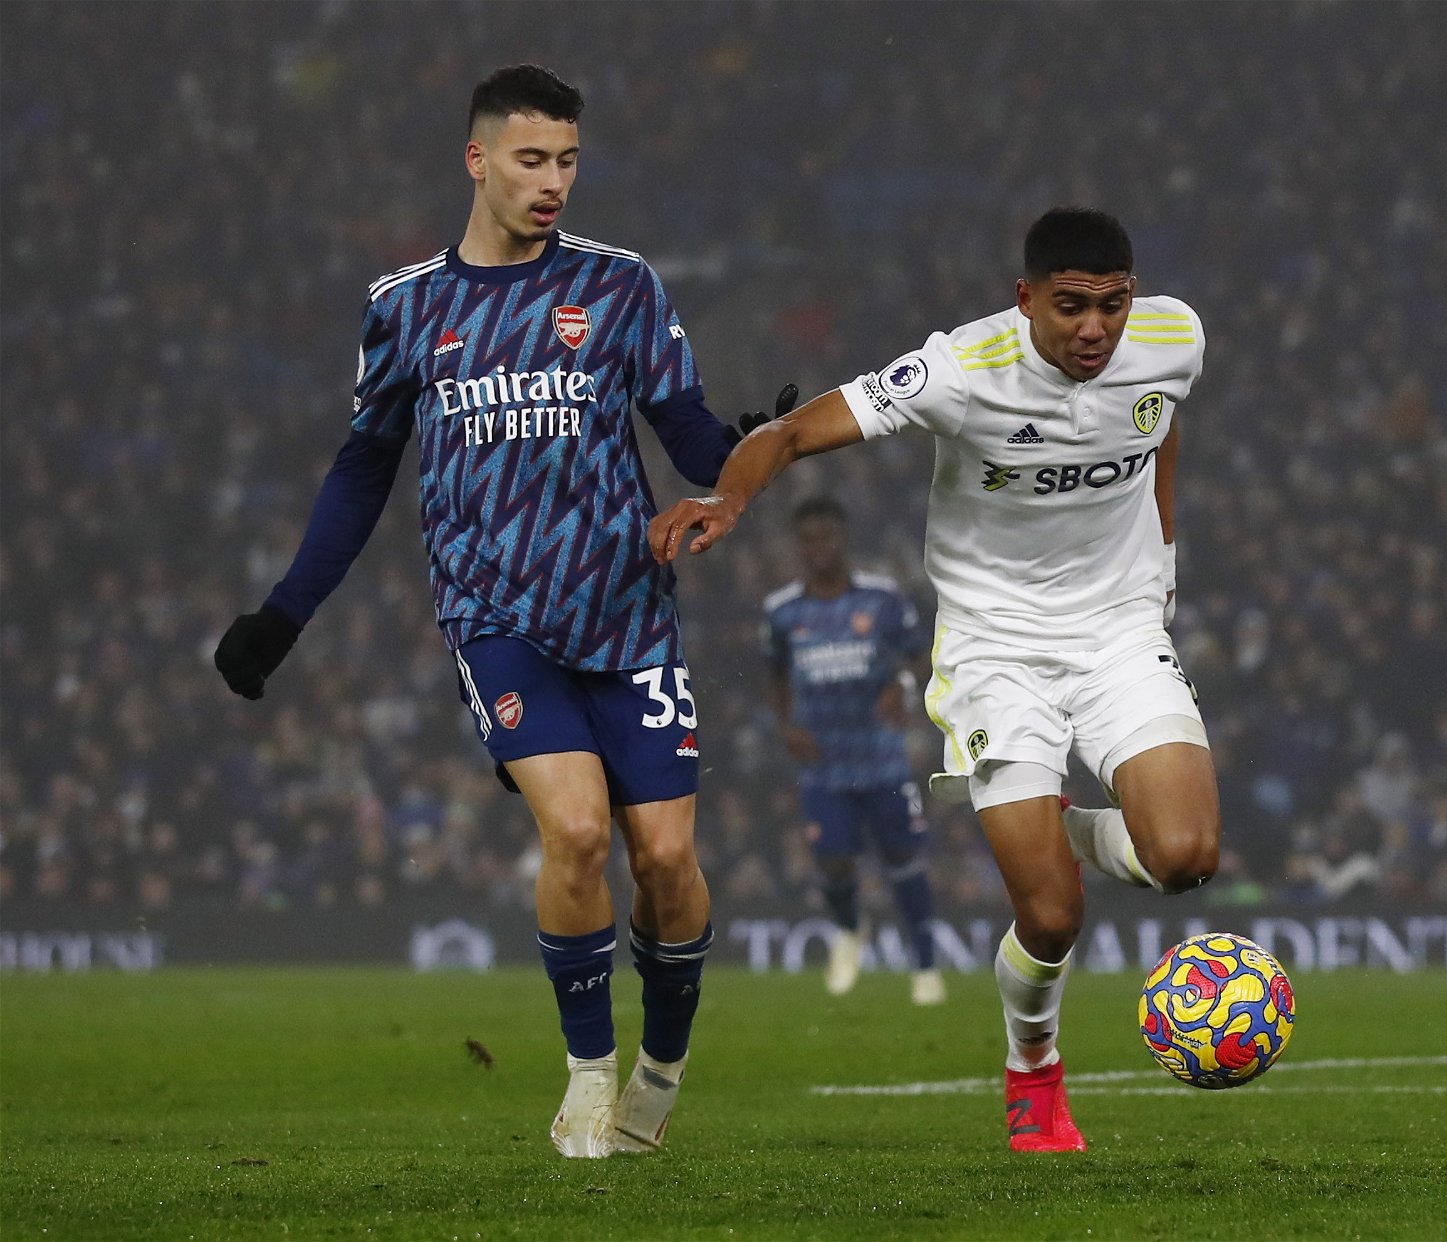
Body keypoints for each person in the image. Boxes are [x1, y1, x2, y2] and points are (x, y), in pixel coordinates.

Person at [213, 64, 792, 1159]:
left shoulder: (620, 287)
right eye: (532, 159)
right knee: (575, 831)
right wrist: (283, 615)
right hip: (498, 618)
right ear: (477, 160)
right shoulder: (406, 308)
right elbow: (361, 471)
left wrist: (752, 453)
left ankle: (660, 1069)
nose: (554, 181)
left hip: (627, 615)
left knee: (665, 863)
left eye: (568, 160)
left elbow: (691, 435)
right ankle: (586, 1076)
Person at [650, 207, 1219, 1153]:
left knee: (1188, 856)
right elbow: (793, 432)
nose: (1094, 330)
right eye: (1072, 306)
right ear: (1025, 298)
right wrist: (728, 496)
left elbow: (1158, 428)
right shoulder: (962, 369)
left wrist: (1160, 557)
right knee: (1050, 915)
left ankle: (1057, 828)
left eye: (1111, 306)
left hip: (1119, 631)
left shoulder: (1174, 335)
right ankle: (1032, 1068)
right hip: (997, 648)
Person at [763, 496, 946, 1005]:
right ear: (798, 548)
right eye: (807, 540)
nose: (818, 548)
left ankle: (926, 967)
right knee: (834, 863)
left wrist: (905, 684)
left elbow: (921, 652)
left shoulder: (882, 599)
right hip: (822, 761)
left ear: (843, 539)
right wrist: (784, 724)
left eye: (826, 537)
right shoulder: (782, 611)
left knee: (903, 856)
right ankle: (850, 928)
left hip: (882, 755)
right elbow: (774, 671)